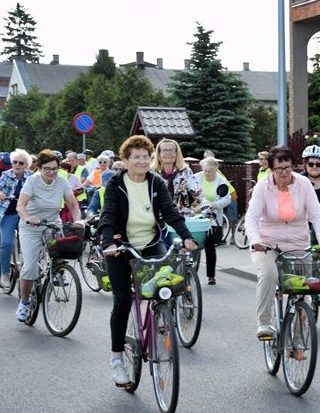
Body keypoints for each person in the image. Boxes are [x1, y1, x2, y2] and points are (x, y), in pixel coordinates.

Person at [99, 135, 198, 388]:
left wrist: (186, 236)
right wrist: (108, 242)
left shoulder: (156, 183)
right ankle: (117, 360)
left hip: (152, 243)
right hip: (121, 247)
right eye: (136, 157)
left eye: (145, 156)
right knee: (122, 300)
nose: (142, 161)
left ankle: (159, 321)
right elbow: (108, 215)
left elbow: (170, 212)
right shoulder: (115, 184)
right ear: (125, 160)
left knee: (163, 289)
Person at [245, 146, 320, 339]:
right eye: (279, 169)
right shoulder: (263, 186)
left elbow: (317, 215)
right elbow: (251, 217)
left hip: (298, 243)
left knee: (302, 289)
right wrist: (256, 240)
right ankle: (264, 323)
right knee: (268, 274)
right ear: (271, 168)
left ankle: (299, 338)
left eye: (288, 168)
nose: (284, 173)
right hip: (267, 244)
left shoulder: (304, 184)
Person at [15, 150, 84, 320]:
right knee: (30, 268)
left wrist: (78, 221)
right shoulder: (32, 181)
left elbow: (74, 207)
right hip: (31, 226)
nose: (51, 172)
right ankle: (24, 303)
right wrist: (28, 218)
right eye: (47, 169)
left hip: (52, 223)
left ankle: (58, 270)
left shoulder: (61, 182)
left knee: (62, 251)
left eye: (54, 168)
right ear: (39, 168)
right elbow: (20, 206)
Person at [0, 149, 34, 286]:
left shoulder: (31, 176)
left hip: (26, 213)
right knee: (7, 243)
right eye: (15, 162)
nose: (17, 165)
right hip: (9, 213)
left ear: (26, 165)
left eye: (21, 163)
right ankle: (4, 273)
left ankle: (30, 269)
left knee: (31, 242)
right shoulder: (6, 174)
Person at [150, 138, 201, 241]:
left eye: (171, 150)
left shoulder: (185, 171)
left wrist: (200, 206)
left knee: (184, 253)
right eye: (164, 150)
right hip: (157, 221)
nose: (168, 153)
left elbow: (197, 191)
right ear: (158, 154)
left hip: (181, 219)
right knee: (161, 253)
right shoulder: (151, 173)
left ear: (177, 153)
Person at [194, 156, 232, 285]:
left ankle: (211, 275)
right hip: (197, 215)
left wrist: (216, 205)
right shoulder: (196, 178)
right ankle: (190, 272)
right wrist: (196, 205)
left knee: (210, 247)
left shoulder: (221, 181)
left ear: (216, 170)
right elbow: (189, 191)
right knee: (192, 244)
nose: (207, 173)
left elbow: (227, 198)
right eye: (205, 170)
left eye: (210, 171)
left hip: (212, 217)